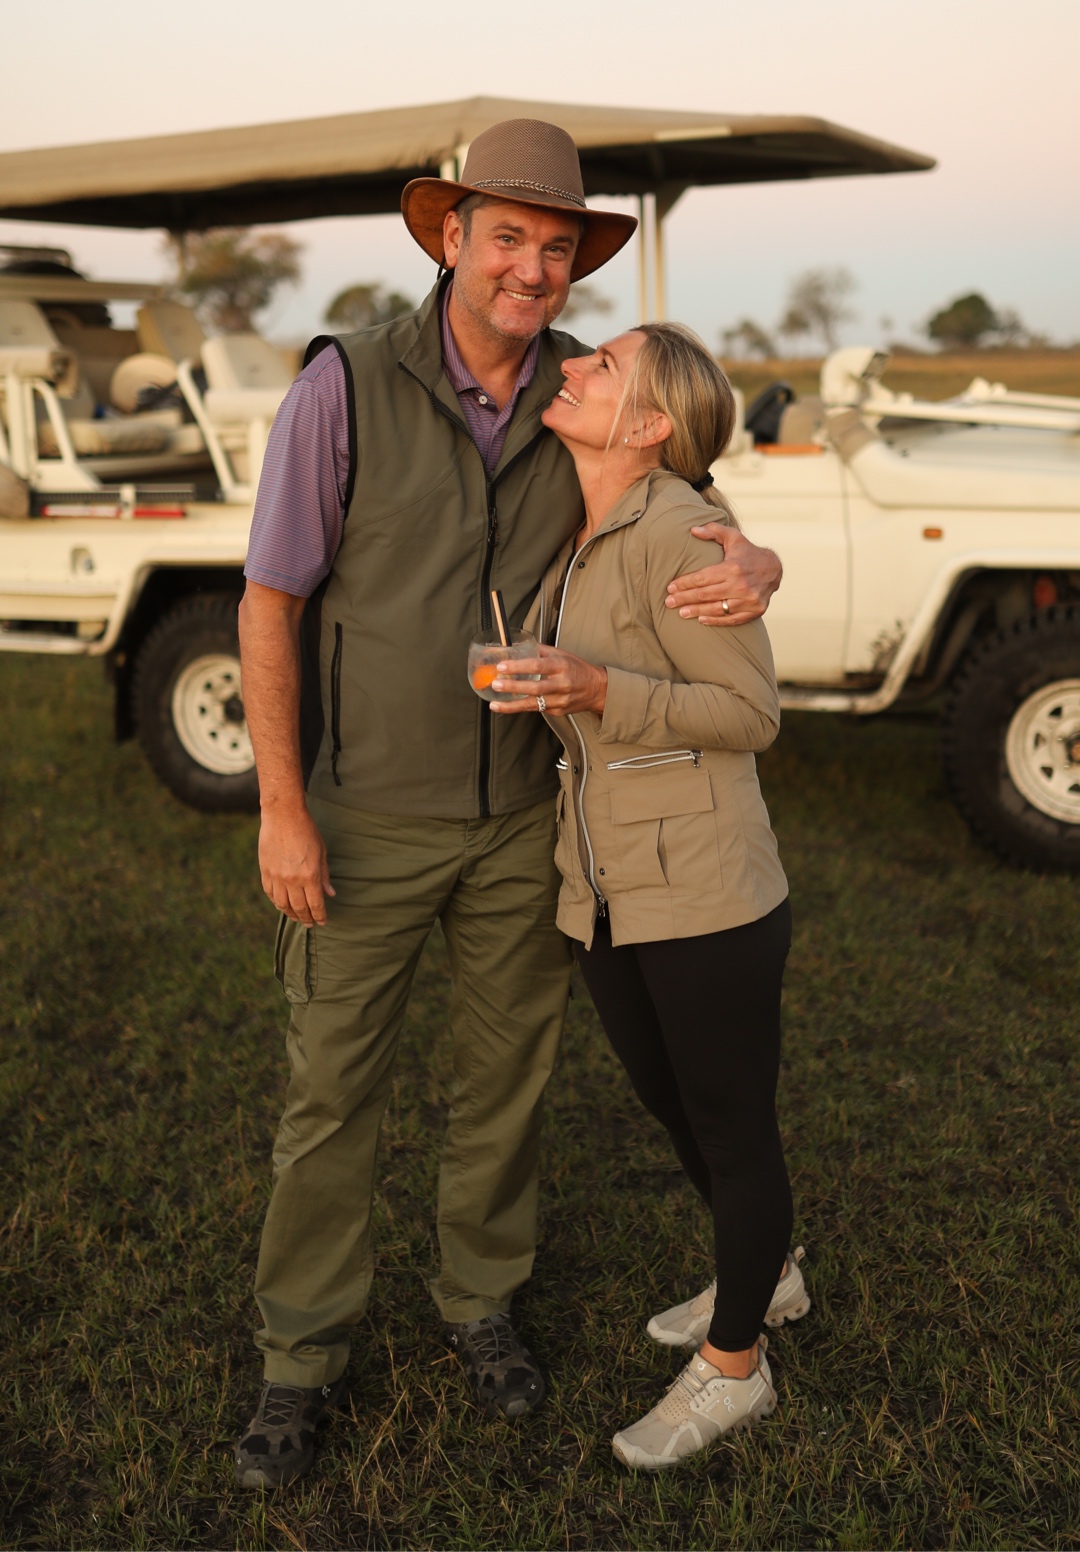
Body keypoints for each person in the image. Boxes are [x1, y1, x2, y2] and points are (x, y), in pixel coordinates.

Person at [234, 119, 784, 1490]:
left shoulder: (577, 403)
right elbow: (269, 602)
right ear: (449, 241)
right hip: (361, 817)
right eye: (507, 239)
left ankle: (481, 1302)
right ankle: (301, 1359)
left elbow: (691, 492)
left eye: (556, 246)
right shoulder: (343, 390)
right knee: (329, 1093)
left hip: (526, 832)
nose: (532, 269)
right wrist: (281, 809)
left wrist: (758, 555)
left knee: (506, 1088)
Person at [490, 320, 808, 1471]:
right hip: (606, 889)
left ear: (651, 423)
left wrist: (596, 685)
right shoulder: (592, 526)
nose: (571, 366)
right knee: (677, 1110)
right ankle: (762, 1272)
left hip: (707, 892)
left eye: (602, 366)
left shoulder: (678, 530)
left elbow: (752, 716)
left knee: (729, 1124)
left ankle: (736, 1369)